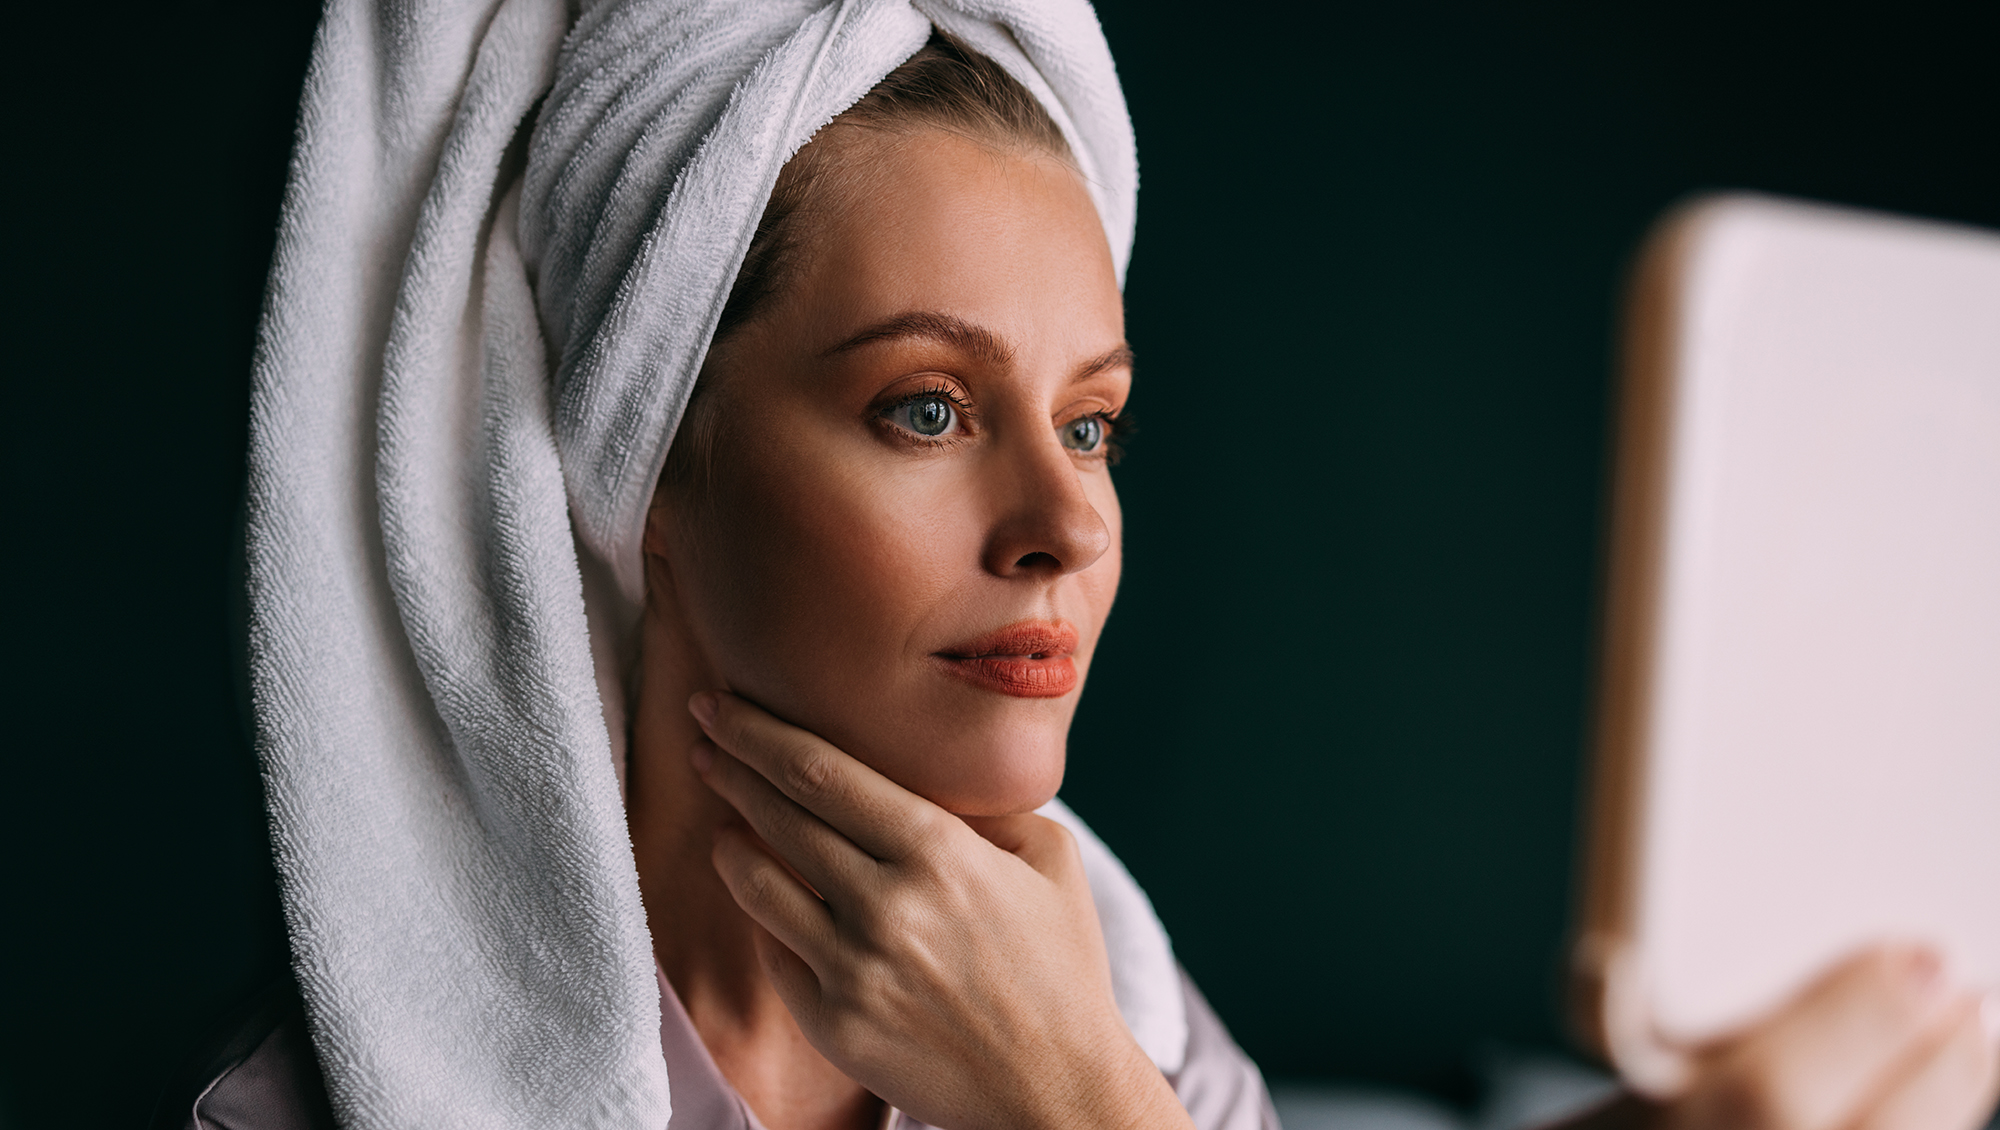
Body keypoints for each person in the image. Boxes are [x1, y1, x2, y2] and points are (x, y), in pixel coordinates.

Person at [183, 2, 1999, 1129]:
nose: (1064, 521)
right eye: (925, 407)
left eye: (1094, 420)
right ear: (649, 463)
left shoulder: (1104, 995)